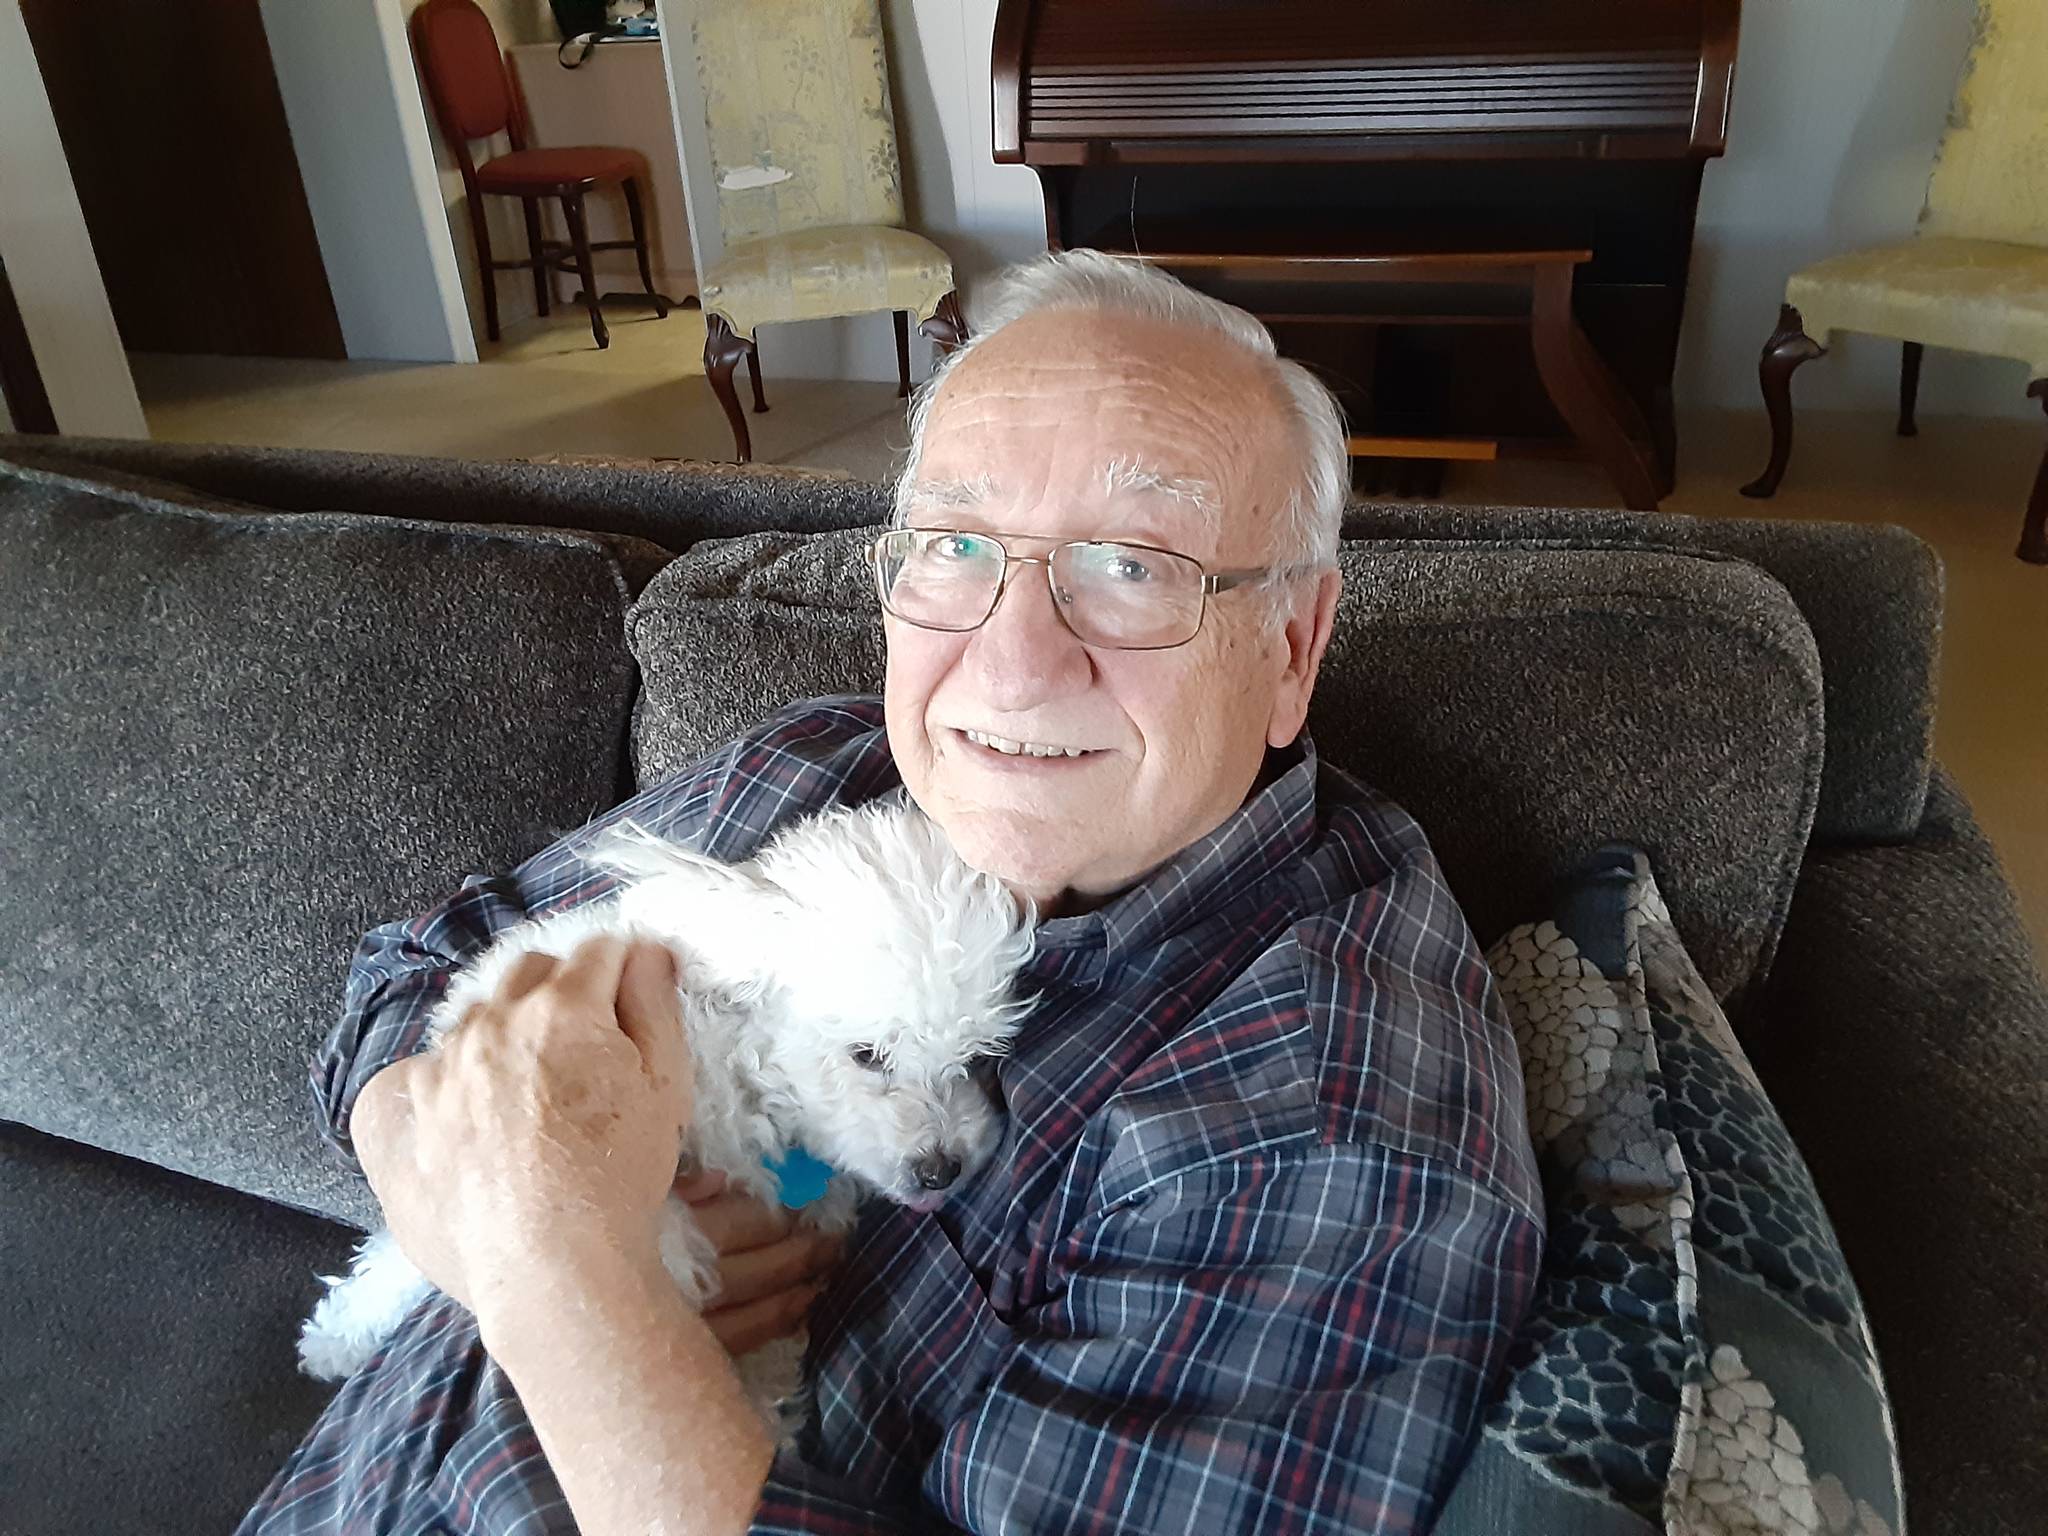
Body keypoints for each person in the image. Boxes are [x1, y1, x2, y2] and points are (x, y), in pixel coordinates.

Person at [240, 250, 1542, 1536]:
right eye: (959, 543)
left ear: (1292, 649)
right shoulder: (827, 766)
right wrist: (467, 1193)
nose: (1015, 664)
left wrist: (567, 1280)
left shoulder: (1326, 1125)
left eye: (1135, 564)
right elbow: (412, 972)